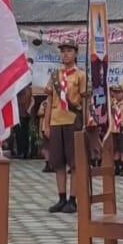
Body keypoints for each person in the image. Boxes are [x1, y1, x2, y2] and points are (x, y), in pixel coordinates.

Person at [42, 41, 86, 213]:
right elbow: (50, 100)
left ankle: (73, 200)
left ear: (76, 54)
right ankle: (61, 198)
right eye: (63, 51)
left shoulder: (81, 76)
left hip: (73, 121)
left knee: (74, 163)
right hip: (56, 121)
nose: (65, 54)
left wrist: (87, 122)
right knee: (58, 163)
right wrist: (46, 124)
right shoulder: (55, 76)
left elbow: (85, 101)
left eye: (69, 51)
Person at [109, 85, 123, 177]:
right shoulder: (111, 104)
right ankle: (117, 167)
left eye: (119, 92)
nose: (117, 94)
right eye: (116, 92)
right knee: (116, 149)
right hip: (114, 128)